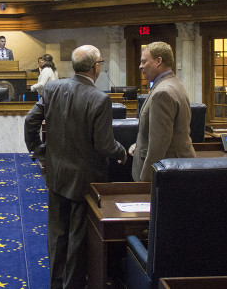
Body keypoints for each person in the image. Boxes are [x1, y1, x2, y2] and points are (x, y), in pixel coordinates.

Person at [24, 44, 127, 289]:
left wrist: (39, 150)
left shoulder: (53, 88)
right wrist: (121, 152)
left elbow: (31, 121)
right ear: (96, 67)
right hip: (85, 181)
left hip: (57, 176)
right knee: (77, 241)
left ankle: (56, 284)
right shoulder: (100, 99)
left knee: (57, 236)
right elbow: (104, 145)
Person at [128, 41, 195, 182]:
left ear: (159, 61)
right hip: (177, 165)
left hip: (164, 170)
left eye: (144, 61)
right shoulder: (174, 83)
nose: (140, 66)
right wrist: (139, 145)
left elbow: (159, 143)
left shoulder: (162, 92)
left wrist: (147, 179)